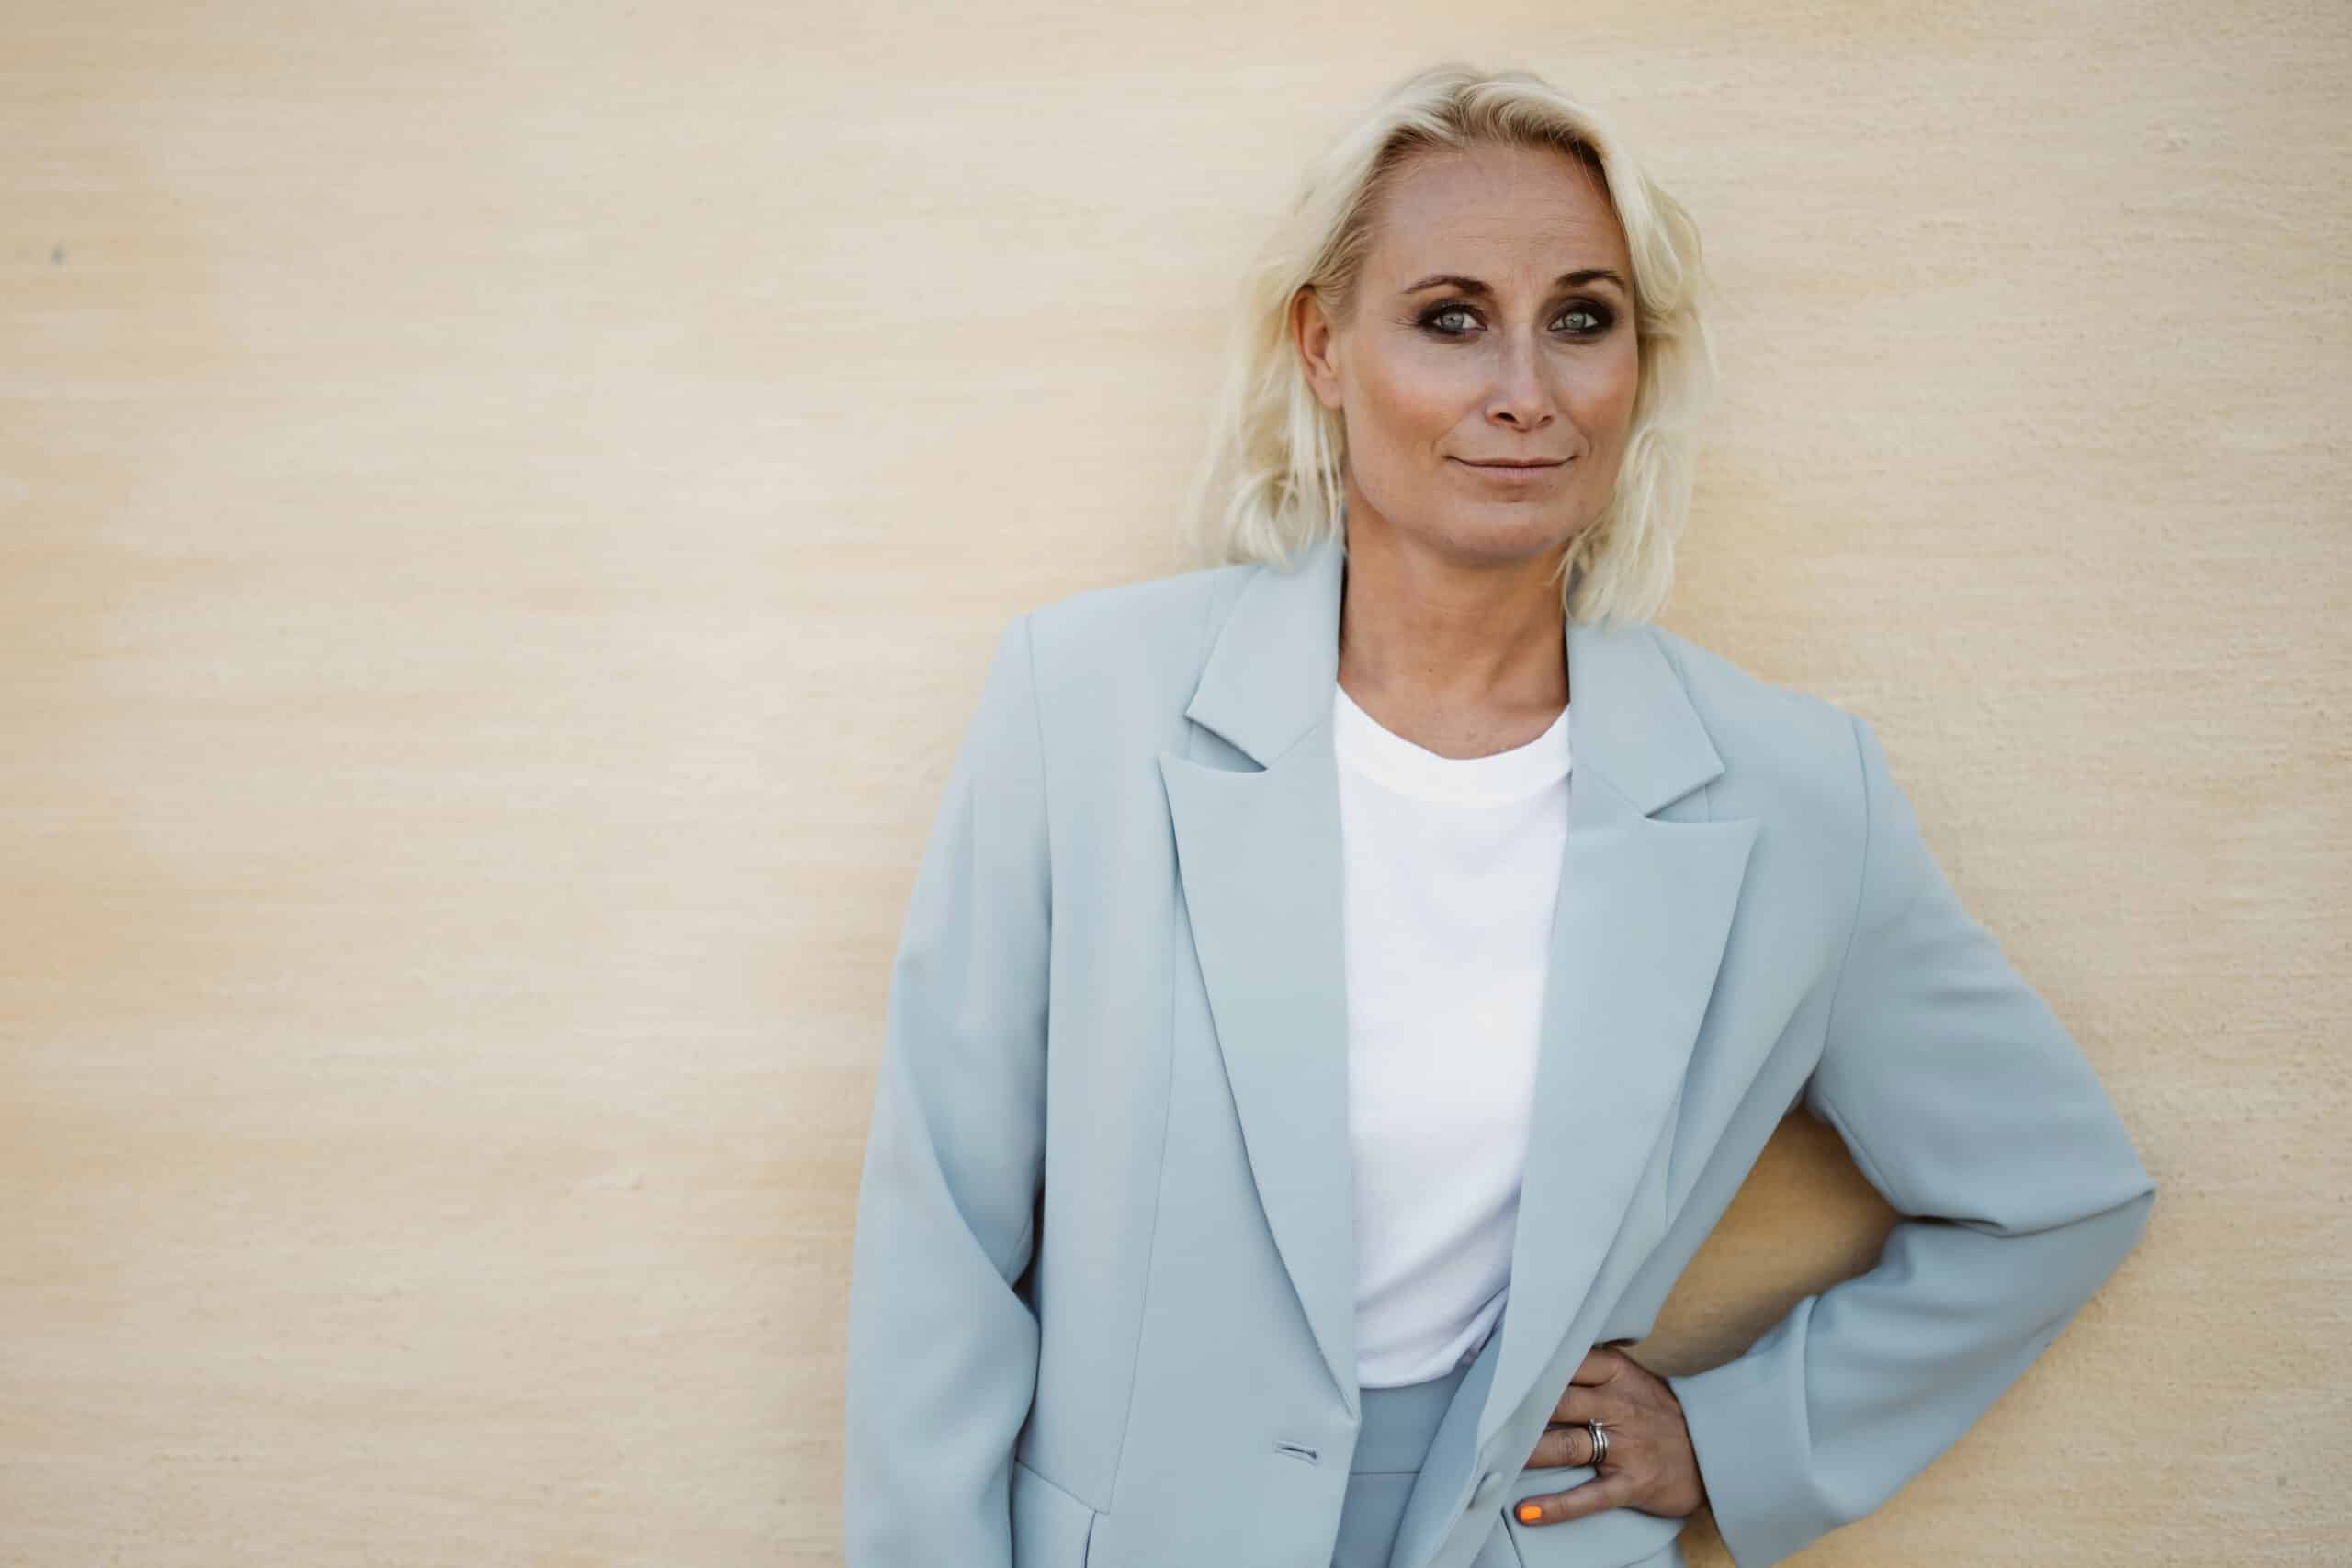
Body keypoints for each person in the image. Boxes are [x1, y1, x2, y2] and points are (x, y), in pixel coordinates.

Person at [841, 61, 2156, 1568]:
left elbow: (2054, 1194)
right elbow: (940, 1239)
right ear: (1323, 347)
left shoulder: (1796, 797)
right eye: (1450, 318)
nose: (1526, 391)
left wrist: (1735, 1438)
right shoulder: (1084, 705)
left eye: (1582, 320)